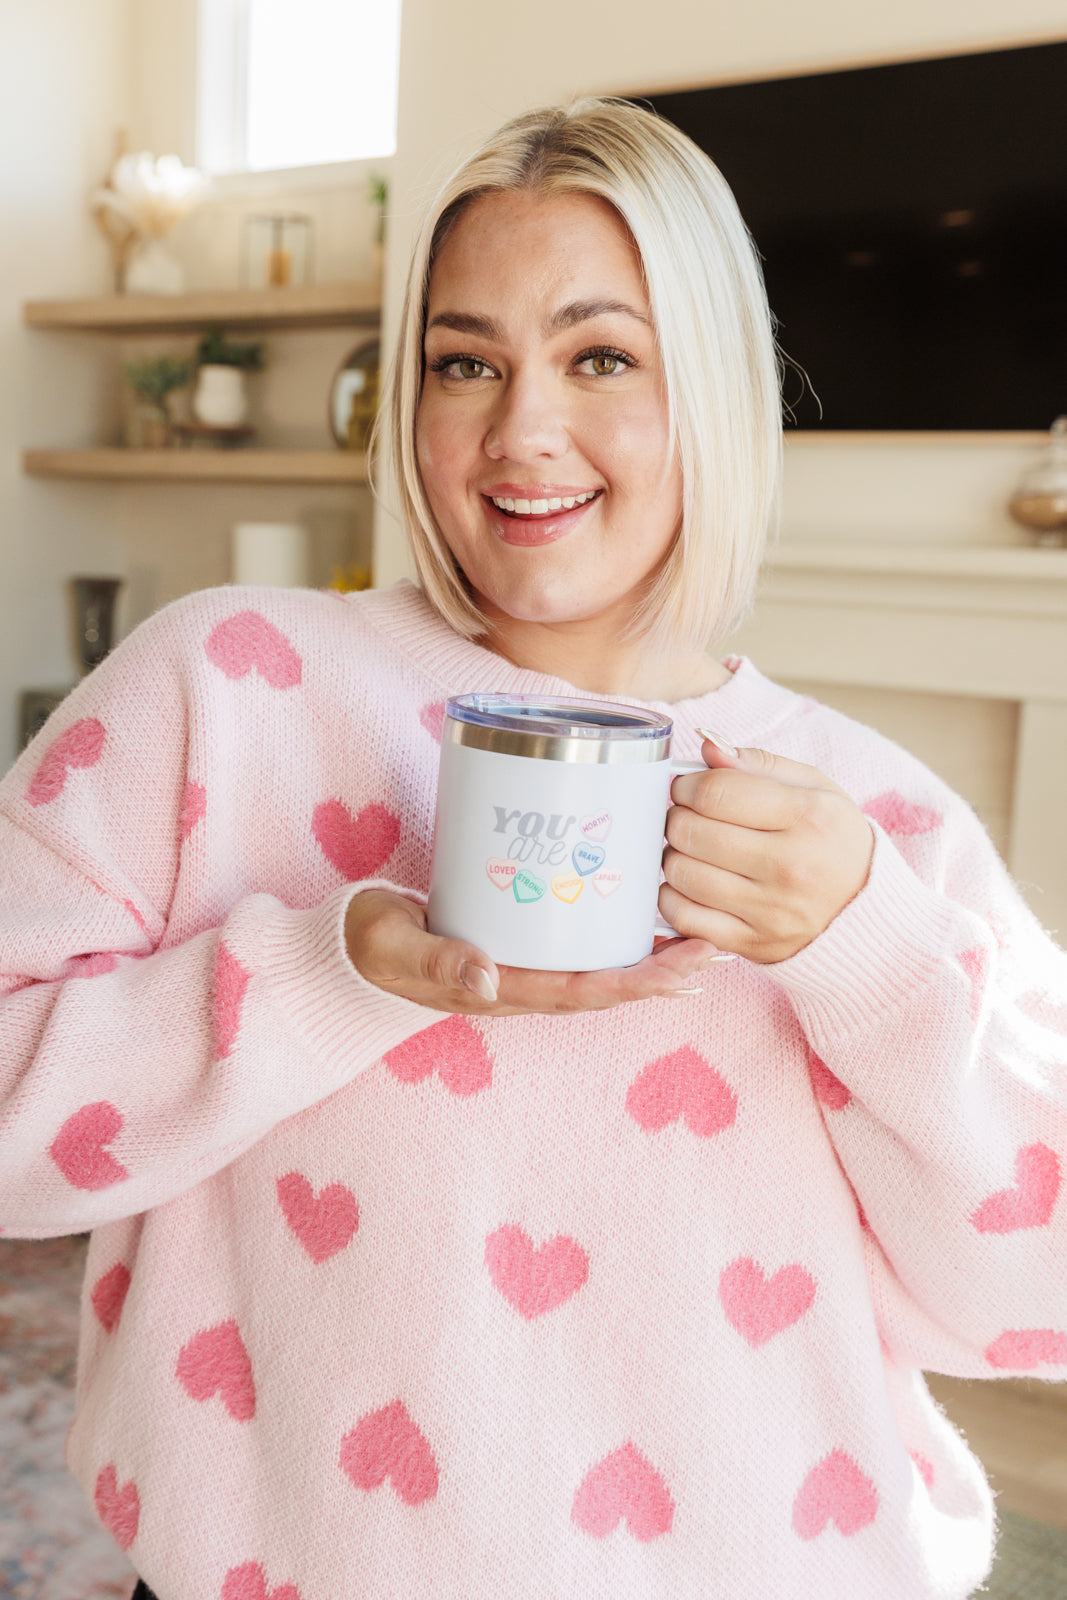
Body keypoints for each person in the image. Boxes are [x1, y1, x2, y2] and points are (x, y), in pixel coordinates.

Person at [2, 97, 1065, 1600]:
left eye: (601, 356)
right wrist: (327, 972)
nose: (521, 430)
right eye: (464, 362)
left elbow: (1040, 1297)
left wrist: (875, 960)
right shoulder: (226, 686)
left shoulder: (863, 825)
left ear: (710, 388)